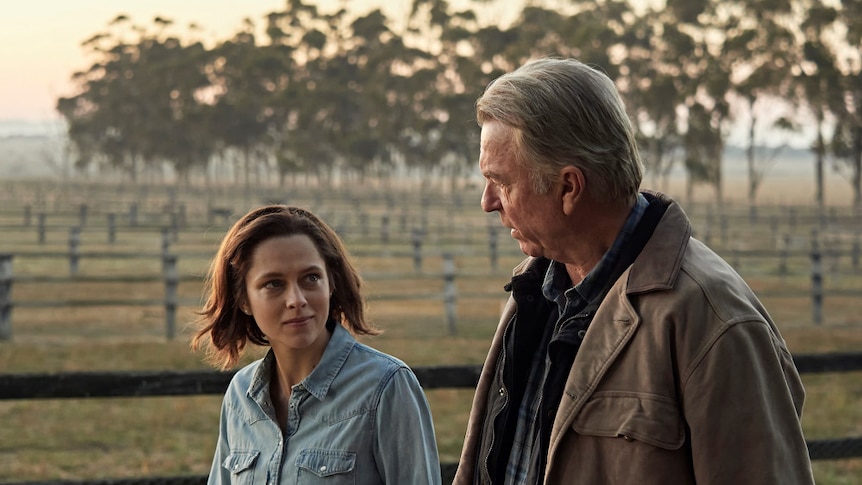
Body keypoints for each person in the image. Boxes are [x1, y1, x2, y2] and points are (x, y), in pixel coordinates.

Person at [453, 57, 814, 484]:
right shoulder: (533, 293)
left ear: (569, 187)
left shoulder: (716, 322)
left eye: (502, 182)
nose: (488, 202)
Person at [192, 205, 442, 485]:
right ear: (243, 300)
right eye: (273, 284)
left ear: (331, 282)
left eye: (311, 278)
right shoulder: (240, 396)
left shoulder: (385, 387)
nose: (296, 299)